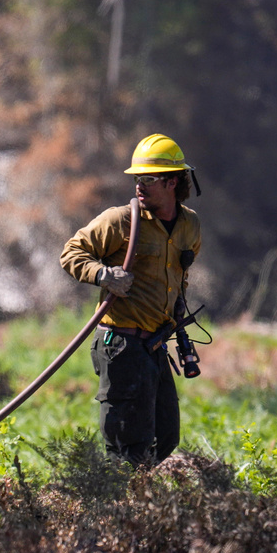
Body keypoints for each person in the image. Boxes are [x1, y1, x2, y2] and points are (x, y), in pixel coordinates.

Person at [60, 133, 201, 467]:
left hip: (154, 345)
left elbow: (180, 276)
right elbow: (71, 252)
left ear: (173, 182)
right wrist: (103, 275)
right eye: (137, 178)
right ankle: (122, 509)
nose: (140, 185)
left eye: (148, 179)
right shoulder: (121, 220)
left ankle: (143, 502)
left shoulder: (190, 225)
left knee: (165, 436)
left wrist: (178, 317)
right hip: (119, 343)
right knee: (126, 446)